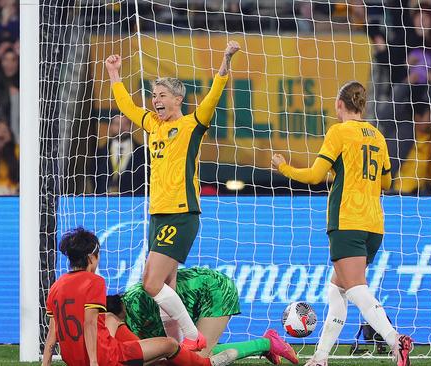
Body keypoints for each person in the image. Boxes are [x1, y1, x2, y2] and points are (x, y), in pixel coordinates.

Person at [104, 40, 240, 350]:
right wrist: (114, 74)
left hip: (181, 213)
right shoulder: (152, 125)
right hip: (158, 213)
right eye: (153, 96)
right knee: (167, 285)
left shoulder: (192, 125)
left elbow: (214, 96)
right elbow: (127, 106)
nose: (156, 101)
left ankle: (193, 337)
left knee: (150, 284)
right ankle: (176, 349)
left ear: (178, 98)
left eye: (162, 95)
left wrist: (225, 59)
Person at [271, 81, 413, 366]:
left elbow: (314, 176)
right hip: (374, 224)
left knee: (356, 287)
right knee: (337, 288)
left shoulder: (339, 132)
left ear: (339, 104)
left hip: (347, 220)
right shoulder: (377, 136)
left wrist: (283, 167)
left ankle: (395, 340)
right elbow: (387, 181)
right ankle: (321, 357)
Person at [41, 227, 238, 366]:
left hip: (74, 360)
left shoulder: (57, 286)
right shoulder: (94, 282)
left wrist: (46, 363)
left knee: (110, 318)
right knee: (170, 345)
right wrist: (94, 362)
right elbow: (90, 325)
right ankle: (206, 364)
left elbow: (52, 334)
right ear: (92, 257)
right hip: (105, 358)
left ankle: (148, 356)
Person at [106, 267, 299, 365]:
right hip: (196, 302)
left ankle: (266, 343)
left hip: (214, 291)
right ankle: (266, 344)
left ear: (114, 316)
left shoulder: (137, 306)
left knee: (195, 360)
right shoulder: (127, 313)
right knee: (188, 358)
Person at [94, 114, 147, 195]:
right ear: (110, 126)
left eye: (125, 124)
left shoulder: (144, 153)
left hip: (134, 203)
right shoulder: (98, 154)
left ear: (132, 127)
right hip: (104, 203)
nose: (121, 128)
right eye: (117, 124)